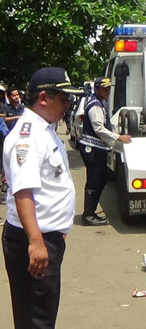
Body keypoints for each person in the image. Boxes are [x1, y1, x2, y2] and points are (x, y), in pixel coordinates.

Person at [1, 67, 85, 329]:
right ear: (44, 98)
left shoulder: (44, 128)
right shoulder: (27, 137)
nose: (68, 105)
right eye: (64, 99)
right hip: (33, 240)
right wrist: (37, 242)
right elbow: (23, 192)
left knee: (42, 314)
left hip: (45, 237)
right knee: (35, 319)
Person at [79, 76, 131, 226]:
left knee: (101, 179)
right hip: (92, 148)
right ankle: (88, 215)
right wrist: (118, 137)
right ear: (97, 89)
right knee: (95, 180)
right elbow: (99, 128)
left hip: (97, 147)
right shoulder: (95, 105)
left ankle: (91, 212)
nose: (108, 91)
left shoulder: (98, 102)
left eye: (109, 88)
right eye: (104, 89)